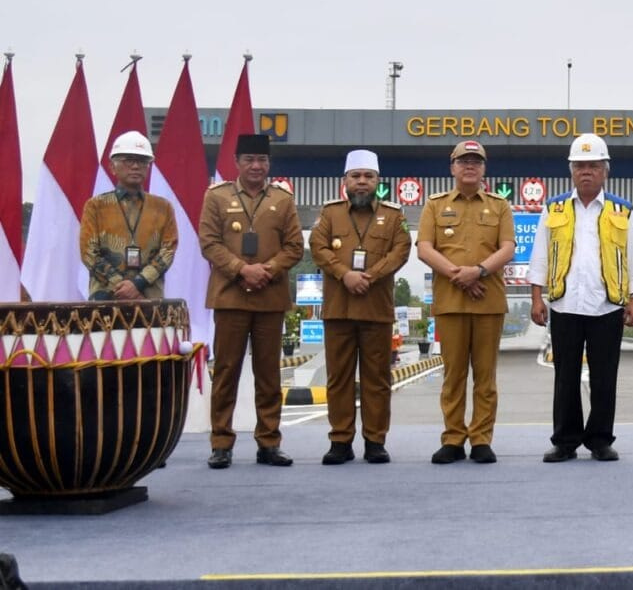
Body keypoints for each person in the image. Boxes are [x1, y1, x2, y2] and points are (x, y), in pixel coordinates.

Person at [528, 133, 633, 463]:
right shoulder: (553, 209)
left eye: (593, 165)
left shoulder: (621, 210)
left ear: (605, 170)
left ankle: (600, 440)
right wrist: (537, 297)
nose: (586, 172)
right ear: (570, 170)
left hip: (607, 304)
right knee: (564, 375)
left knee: (605, 376)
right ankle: (565, 440)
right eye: (580, 166)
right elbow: (540, 255)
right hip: (565, 303)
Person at [199, 134, 304, 470]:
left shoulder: (283, 200)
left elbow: (294, 247)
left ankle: (269, 442)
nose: (256, 166)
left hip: (270, 298)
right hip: (230, 297)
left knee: (269, 374)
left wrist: (267, 270)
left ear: (269, 164)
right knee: (226, 371)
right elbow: (209, 243)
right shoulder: (216, 196)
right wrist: (242, 269)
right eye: (249, 160)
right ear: (237, 162)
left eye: (262, 160)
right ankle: (221, 443)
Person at [309, 150, 411, 465]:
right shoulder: (330, 214)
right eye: (356, 176)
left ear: (378, 181)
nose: (362, 182)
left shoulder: (394, 216)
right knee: (338, 378)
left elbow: (401, 250)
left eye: (368, 176)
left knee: (377, 379)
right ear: (346, 181)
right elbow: (318, 247)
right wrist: (345, 275)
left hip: (376, 310)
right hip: (338, 310)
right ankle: (340, 440)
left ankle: (375, 441)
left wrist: (370, 276)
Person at [417, 140, 515, 464]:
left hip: (488, 301)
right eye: (463, 161)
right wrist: (458, 275)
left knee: (485, 376)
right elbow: (425, 248)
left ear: (484, 168)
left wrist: (479, 271)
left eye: (476, 161)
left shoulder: (500, 205)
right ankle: (453, 438)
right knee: (454, 374)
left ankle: (482, 439)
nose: (469, 166)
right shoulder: (434, 204)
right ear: (452, 167)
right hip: (450, 300)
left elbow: (508, 247)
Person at [79, 131, 178, 301]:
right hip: (105, 298)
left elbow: (168, 250)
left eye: (142, 161)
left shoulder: (163, 207)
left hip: (148, 298)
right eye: (128, 160)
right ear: (112, 167)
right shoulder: (95, 206)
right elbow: (89, 252)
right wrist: (122, 286)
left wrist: (138, 284)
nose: (135, 166)